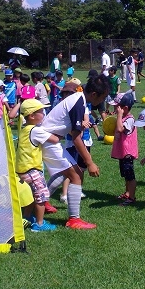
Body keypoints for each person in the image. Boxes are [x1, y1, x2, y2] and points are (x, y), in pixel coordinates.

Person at [41, 77, 110, 229]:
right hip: (47, 140)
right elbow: (76, 137)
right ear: (93, 94)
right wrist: (90, 162)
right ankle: (74, 220)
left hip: (49, 139)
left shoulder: (80, 99)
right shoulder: (79, 103)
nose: (103, 101)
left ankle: (42, 202)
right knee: (76, 175)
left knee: (67, 172)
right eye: (103, 97)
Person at [15, 99, 57, 232]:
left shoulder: (24, 128)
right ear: (32, 116)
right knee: (41, 195)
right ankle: (39, 224)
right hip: (32, 170)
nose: (44, 114)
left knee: (31, 195)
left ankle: (27, 217)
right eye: (41, 112)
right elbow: (54, 140)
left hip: (22, 170)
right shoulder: (35, 130)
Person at [109, 93, 139, 205]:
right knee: (126, 175)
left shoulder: (130, 119)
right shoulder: (123, 117)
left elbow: (121, 128)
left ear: (124, 108)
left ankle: (132, 197)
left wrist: (119, 116)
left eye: (117, 107)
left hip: (128, 152)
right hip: (123, 152)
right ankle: (127, 193)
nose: (114, 109)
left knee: (130, 176)